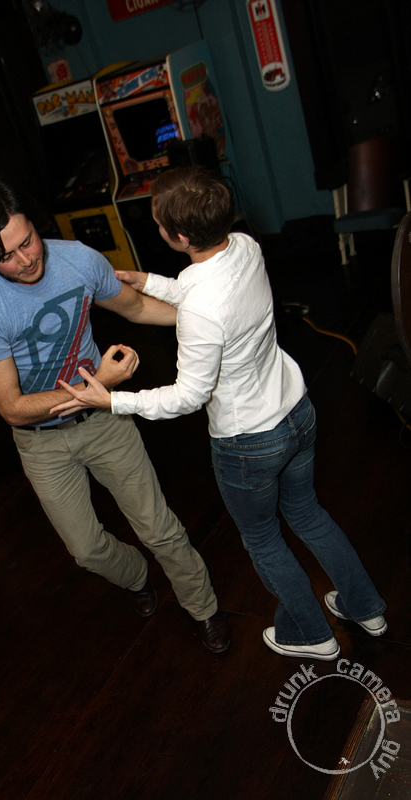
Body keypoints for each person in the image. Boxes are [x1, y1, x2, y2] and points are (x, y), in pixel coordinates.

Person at [53, 166, 387, 662]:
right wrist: (150, 282)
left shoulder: (200, 313)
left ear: (180, 237)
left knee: (263, 539)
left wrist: (113, 400)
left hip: (249, 443)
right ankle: (366, 607)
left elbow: (189, 395)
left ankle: (309, 634)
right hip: (296, 412)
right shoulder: (246, 246)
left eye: (158, 222)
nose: (157, 227)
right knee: (308, 513)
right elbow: (206, 285)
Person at [0, 175, 229, 653]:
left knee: (157, 526)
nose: (26, 260)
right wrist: (97, 382)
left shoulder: (78, 259)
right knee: (86, 550)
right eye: (6, 257)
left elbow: (137, 307)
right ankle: (137, 576)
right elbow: (12, 409)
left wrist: (212, 314)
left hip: (104, 422)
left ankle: (203, 607)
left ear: (34, 224)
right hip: (41, 441)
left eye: (28, 241)